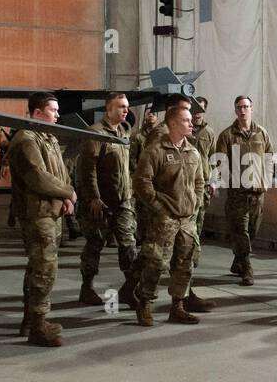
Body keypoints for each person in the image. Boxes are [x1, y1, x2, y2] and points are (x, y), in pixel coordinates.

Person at [7, 93, 76, 347]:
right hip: (38, 214)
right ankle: (38, 325)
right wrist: (67, 192)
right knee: (45, 268)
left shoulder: (47, 138)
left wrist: (65, 196)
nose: (57, 115)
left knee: (39, 266)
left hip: (50, 211)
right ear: (37, 112)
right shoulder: (26, 140)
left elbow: (60, 172)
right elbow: (37, 176)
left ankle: (31, 320)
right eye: (53, 110)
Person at [132, 105, 208, 326]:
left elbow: (199, 182)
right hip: (165, 218)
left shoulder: (192, 151)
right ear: (173, 123)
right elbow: (141, 181)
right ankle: (144, 303)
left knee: (185, 264)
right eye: (186, 120)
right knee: (156, 262)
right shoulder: (156, 150)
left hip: (187, 219)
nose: (191, 123)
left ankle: (178, 307)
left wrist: (196, 204)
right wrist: (158, 206)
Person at [76, 92, 138, 308]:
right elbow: (87, 169)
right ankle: (87, 287)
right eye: (121, 106)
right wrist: (93, 197)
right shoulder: (95, 133)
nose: (125, 110)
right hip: (101, 202)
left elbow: (126, 167)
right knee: (95, 244)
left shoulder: (124, 132)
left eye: (127, 107)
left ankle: (130, 288)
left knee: (128, 244)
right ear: (108, 109)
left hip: (122, 201)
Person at [216, 95, 274, 286]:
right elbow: (220, 162)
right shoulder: (227, 135)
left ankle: (238, 260)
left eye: (246, 106)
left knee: (252, 230)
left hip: (258, 193)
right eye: (239, 107)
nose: (243, 110)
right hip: (237, 194)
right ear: (235, 110)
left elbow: (268, 158)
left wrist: (266, 180)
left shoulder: (262, 133)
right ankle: (247, 268)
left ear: (252, 109)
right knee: (241, 231)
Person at [186, 97, 217, 311]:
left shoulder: (209, 134)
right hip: (181, 192)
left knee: (194, 234)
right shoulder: (179, 132)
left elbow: (215, 159)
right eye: (194, 110)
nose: (197, 114)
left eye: (201, 110)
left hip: (201, 188)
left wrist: (214, 181)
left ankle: (186, 286)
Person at [130, 106, 160, 245]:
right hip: (143, 178)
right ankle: (141, 238)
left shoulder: (161, 135)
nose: (151, 116)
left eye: (154, 113)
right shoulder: (137, 136)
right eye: (149, 113)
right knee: (141, 211)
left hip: (157, 180)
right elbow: (132, 159)